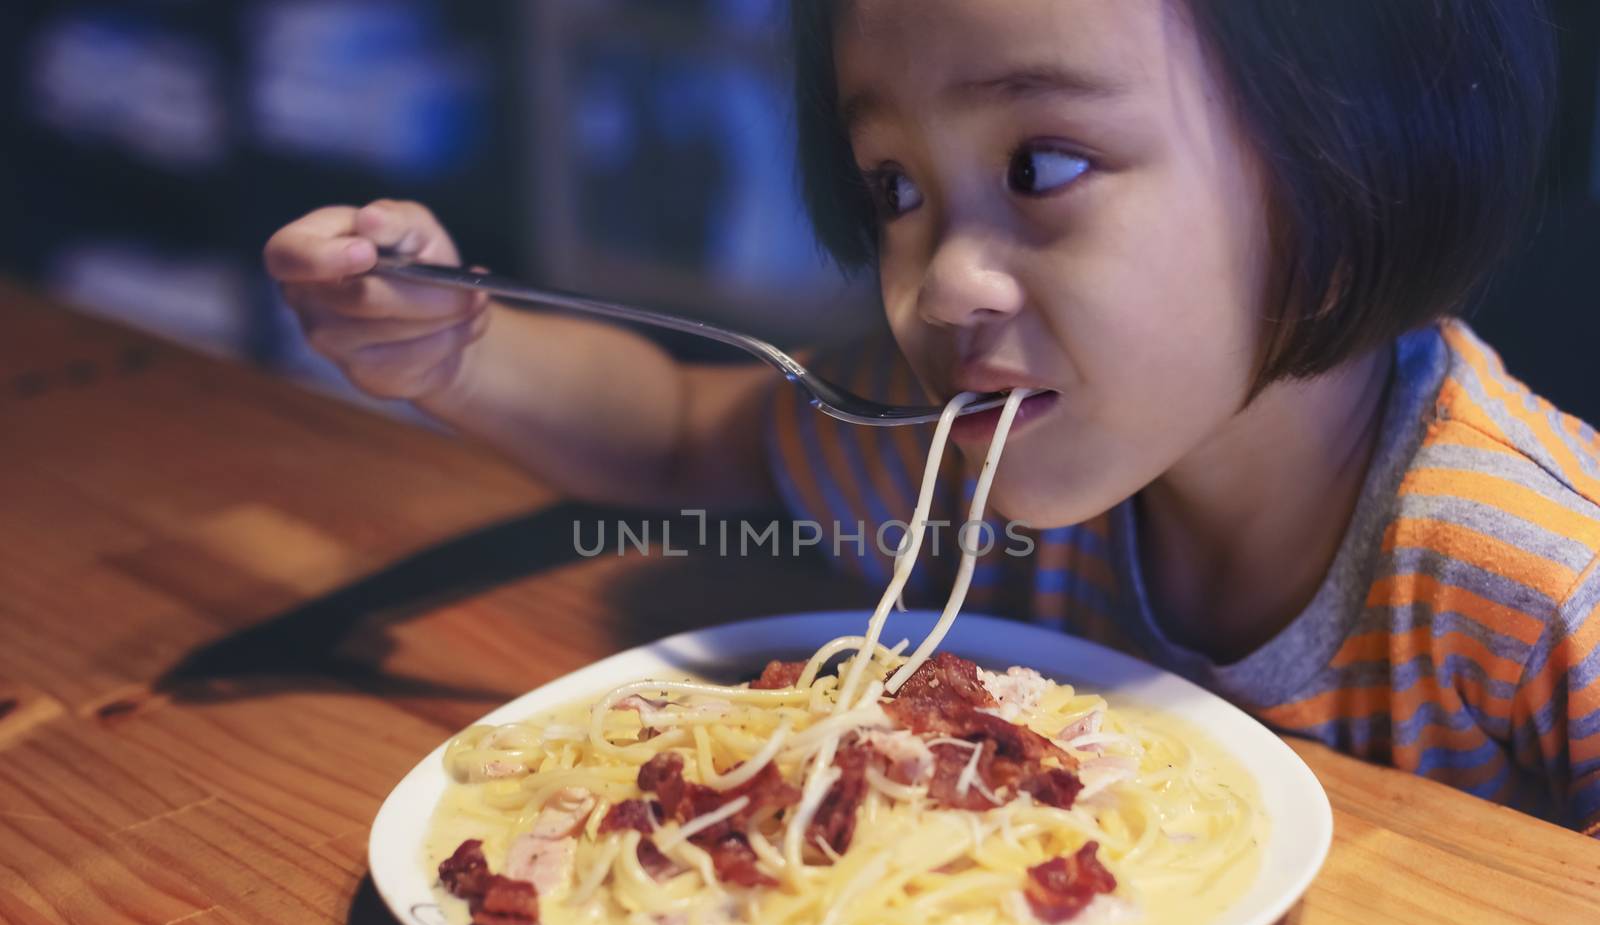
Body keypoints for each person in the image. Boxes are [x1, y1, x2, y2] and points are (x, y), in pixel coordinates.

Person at [264, 0, 1600, 836]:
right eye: (894, 188)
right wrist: (456, 352)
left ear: (1347, 162)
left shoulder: (1536, 572)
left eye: (1044, 165)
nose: (938, 283)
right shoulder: (968, 457)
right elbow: (685, 439)